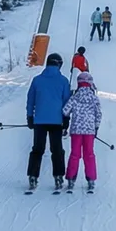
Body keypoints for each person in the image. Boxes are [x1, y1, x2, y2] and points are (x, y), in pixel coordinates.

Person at [24, 52, 73, 193]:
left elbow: (30, 100)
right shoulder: (63, 81)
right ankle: (58, 176)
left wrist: (29, 117)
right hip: (56, 121)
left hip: (39, 120)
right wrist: (66, 120)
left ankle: (33, 176)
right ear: (59, 64)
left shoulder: (37, 80)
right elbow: (66, 102)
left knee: (37, 149)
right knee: (57, 150)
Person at [64, 71, 102, 193]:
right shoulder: (94, 98)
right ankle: (91, 179)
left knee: (75, 154)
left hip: (76, 130)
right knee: (89, 154)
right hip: (89, 131)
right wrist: (96, 127)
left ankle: (71, 179)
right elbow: (98, 114)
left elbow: (65, 111)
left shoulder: (74, 97)